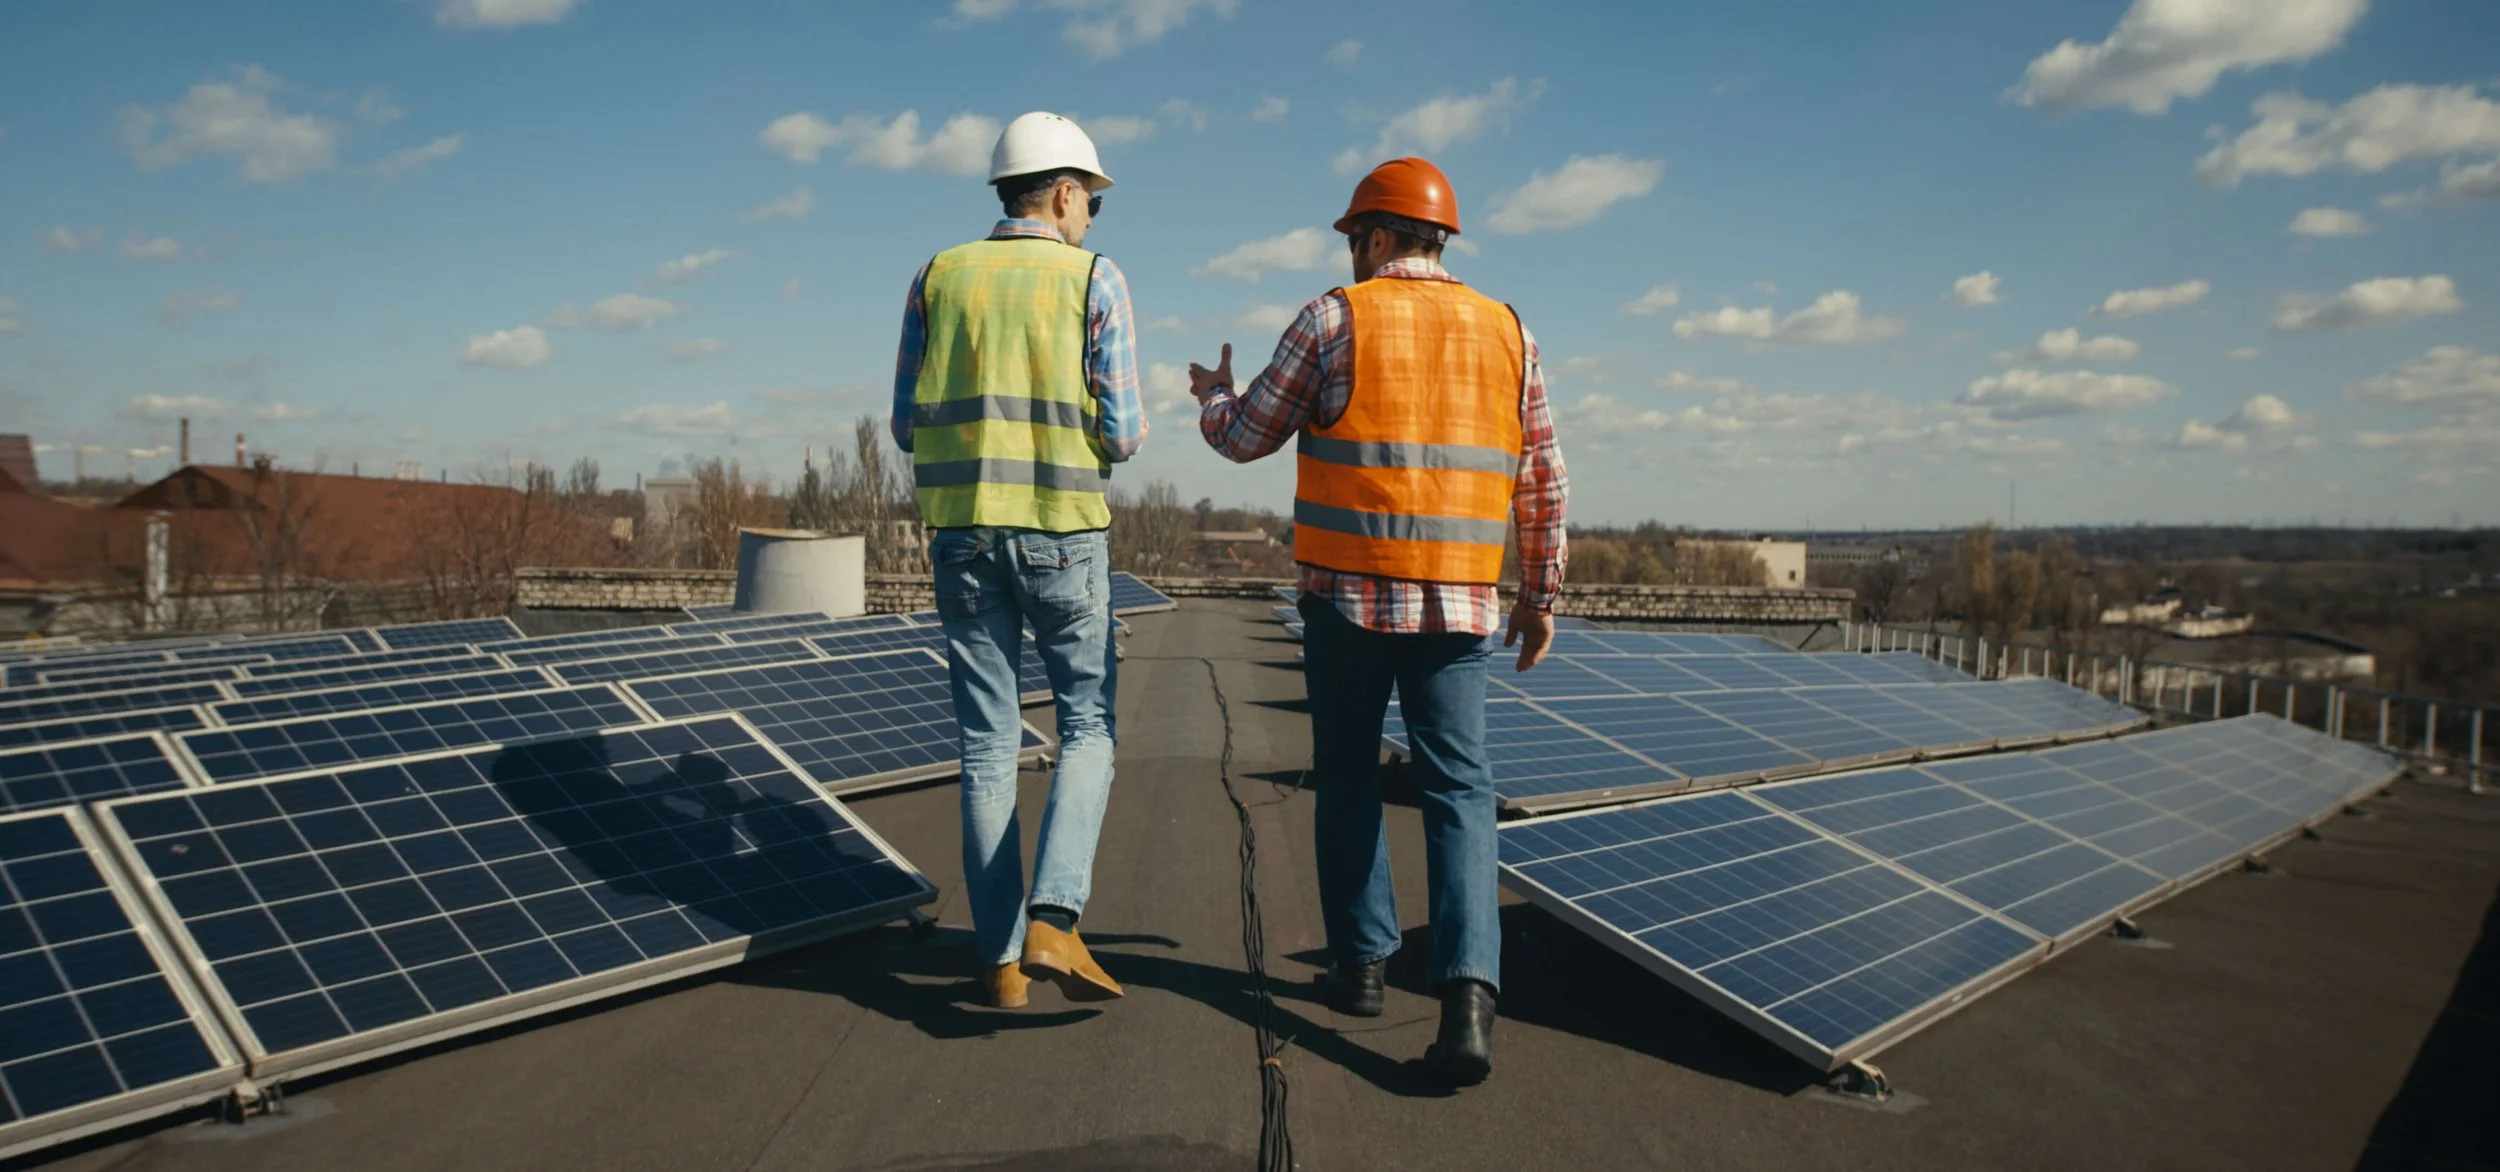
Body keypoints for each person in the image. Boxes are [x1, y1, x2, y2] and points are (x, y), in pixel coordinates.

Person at [1188, 157, 1568, 1085]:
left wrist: (1212, 396)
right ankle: (1468, 999)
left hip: (1348, 601)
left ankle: (1360, 969)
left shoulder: (1332, 318)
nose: (1353, 255)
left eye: (1358, 238)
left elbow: (1246, 437)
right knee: (1459, 792)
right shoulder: (1509, 329)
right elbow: (1544, 479)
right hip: (1460, 608)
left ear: (1381, 236)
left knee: (1350, 776)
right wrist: (1540, 596)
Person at [892, 111, 1142, 1010]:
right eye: (1091, 204)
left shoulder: (938, 276)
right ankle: (1056, 919)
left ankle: (1000, 963)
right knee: (1088, 729)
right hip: (1063, 535)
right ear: (1067, 193)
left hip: (961, 534)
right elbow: (1121, 431)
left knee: (987, 747)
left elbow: (903, 424)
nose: (1090, 221)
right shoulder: (1093, 279)